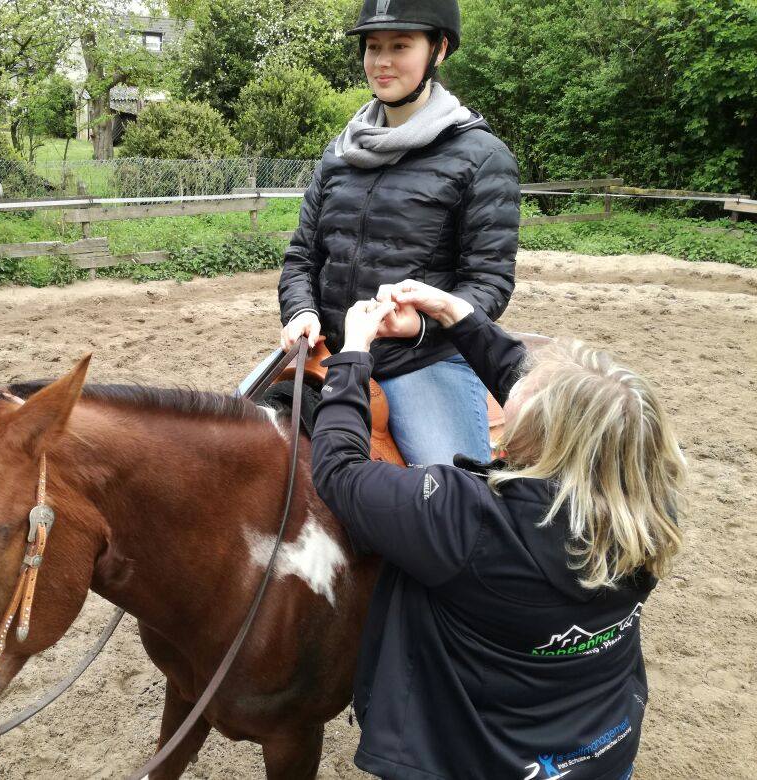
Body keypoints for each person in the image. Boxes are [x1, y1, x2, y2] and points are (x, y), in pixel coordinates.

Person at [310, 281, 686, 779]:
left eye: (530, 388)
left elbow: (340, 471)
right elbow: (551, 400)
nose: (520, 378)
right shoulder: (646, 505)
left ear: (539, 434)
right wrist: (451, 311)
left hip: (478, 761)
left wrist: (353, 353)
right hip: (603, 747)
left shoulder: (470, 519)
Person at [278, 0, 520, 467]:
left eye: (400, 45)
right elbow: (302, 257)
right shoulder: (340, 153)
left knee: (454, 507)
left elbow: (488, 281)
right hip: (332, 347)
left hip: (421, 361)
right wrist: (301, 311)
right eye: (373, 47)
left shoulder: (482, 157)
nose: (382, 61)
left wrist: (423, 324)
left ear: (439, 49)